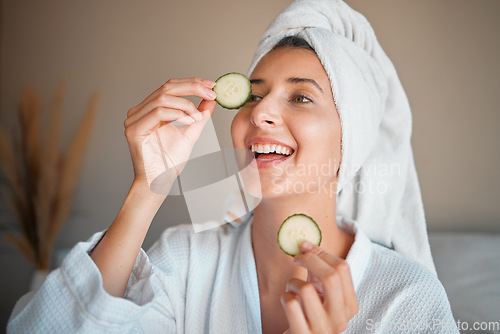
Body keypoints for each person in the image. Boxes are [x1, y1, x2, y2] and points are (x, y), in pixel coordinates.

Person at [8, 1, 459, 333]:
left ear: (351, 141)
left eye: (301, 96)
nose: (260, 112)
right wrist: (149, 187)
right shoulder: (187, 260)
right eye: (253, 94)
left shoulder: (408, 299)